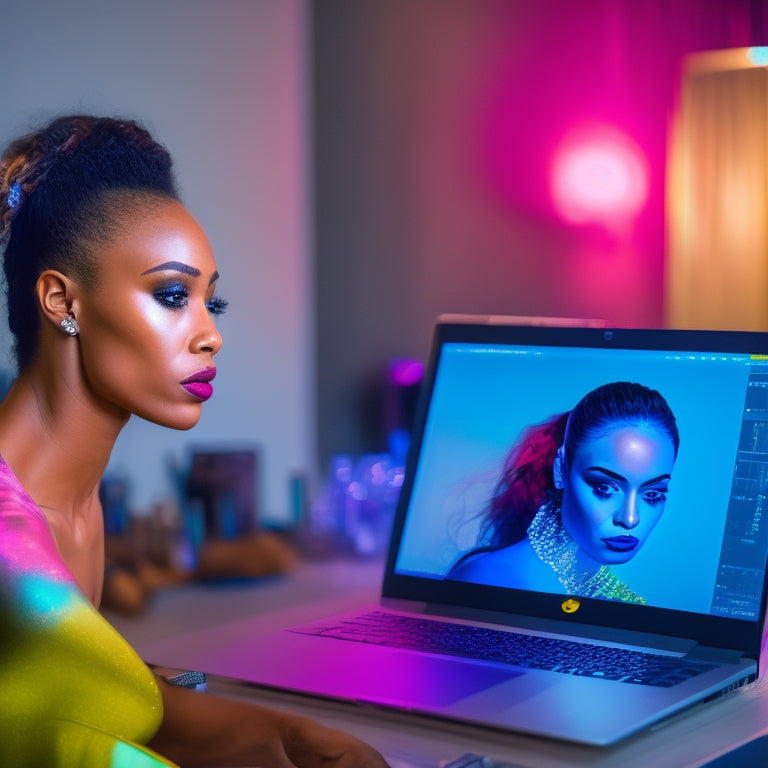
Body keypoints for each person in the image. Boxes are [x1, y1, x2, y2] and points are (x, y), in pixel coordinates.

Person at [0, 114, 387, 767]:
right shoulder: (15, 554)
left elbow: (93, 701)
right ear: (63, 302)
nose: (211, 335)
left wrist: (291, 739)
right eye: (173, 294)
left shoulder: (72, 504)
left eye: (214, 303)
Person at [447, 381, 679, 604]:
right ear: (561, 469)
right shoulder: (489, 580)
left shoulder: (626, 607)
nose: (630, 518)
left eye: (652, 495)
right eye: (604, 488)